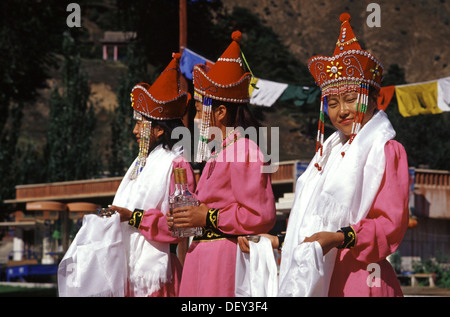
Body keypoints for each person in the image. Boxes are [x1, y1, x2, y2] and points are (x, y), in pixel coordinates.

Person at [239, 13, 409, 297]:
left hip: (361, 277)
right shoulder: (326, 156)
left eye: (351, 98)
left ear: (371, 97)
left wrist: (341, 238)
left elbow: (388, 227)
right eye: (332, 102)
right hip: (321, 275)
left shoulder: (386, 150)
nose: (341, 110)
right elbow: (314, 225)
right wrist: (278, 240)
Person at [169, 31, 277, 297]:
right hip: (202, 255)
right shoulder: (218, 153)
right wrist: (185, 216)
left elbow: (259, 216)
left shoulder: (245, 150)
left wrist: (206, 216)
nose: (194, 117)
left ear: (219, 112)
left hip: (223, 258)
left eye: (198, 108)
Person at [110, 53, 196, 297]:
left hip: (157, 278)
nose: (134, 130)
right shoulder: (139, 164)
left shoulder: (177, 165)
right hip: (128, 270)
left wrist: (135, 218)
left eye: (141, 124)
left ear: (159, 129)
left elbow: (183, 227)